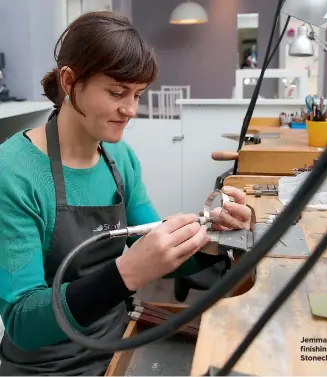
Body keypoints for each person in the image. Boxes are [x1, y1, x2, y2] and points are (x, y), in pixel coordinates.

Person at [0, 11, 252, 376]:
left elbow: (156, 243)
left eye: (137, 94)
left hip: (117, 339)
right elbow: (23, 323)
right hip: (50, 365)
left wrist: (215, 237)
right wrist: (126, 273)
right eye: (117, 92)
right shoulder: (14, 172)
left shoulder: (119, 158)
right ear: (70, 81)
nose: (131, 110)